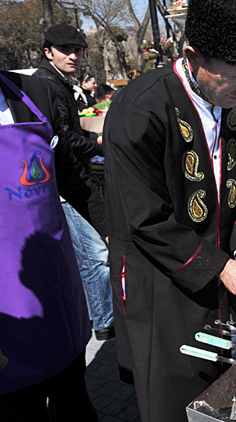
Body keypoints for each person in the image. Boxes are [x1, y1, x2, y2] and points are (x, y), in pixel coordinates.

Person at [103, 0, 236, 421]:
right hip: (160, 278)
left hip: (222, 266)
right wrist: (222, 266)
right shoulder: (140, 109)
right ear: (193, 55)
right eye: (235, 75)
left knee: (225, 381)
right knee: (173, 395)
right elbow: (144, 218)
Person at [0, 69, 106, 421]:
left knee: (75, 404)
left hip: (56, 296)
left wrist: (113, 231)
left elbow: (72, 177)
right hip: (5, 319)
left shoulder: (31, 91)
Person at [33, 23, 114, 340]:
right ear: (48, 51)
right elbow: (60, 138)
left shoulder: (57, 82)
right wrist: (95, 143)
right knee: (95, 255)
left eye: (78, 50)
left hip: (73, 180)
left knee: (96, 251)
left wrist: (92, 137)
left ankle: (106, 317)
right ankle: (105, 322)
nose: (73, 55)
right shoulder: (46, 85)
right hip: (65, 184)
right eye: (66, 49)